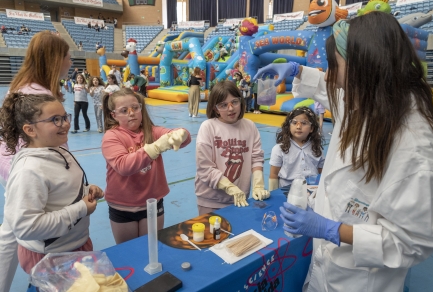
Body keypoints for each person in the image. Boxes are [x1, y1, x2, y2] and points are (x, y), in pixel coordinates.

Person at [254, 12, 433, 291]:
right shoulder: (371, 99)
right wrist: (297, 71)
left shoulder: (417, 151)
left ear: (366, 68)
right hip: (325, 268)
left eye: (335, 65)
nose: (331, 77)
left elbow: (410, 243)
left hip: (361, 280)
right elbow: (331, 87)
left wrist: (332, 230)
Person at [0, 32, 73, 291]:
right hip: (33, 174)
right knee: (25, 234)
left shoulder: (23, 87)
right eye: (67, 56)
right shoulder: (36, 94)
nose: (70, 62)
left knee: (9, 233)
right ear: (54, 60)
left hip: (19, 170)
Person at [0, 93, 103, 275]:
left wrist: (87, 190)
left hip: (76, 243)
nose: (65, 124)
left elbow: (61, 190)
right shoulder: (29, 170)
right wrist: (80, 209)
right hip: (50, 256)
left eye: (65, 117)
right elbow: (26, 227)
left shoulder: (58, 150)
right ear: (30, 130)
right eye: (55, 119)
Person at [101, 88, 191, 244]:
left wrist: (181, 134)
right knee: (128, 252)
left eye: (135, 108)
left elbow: (182, 137)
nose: (131, 113)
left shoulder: (151, 131)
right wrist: (155, 148)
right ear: (113, 115)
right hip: (123, 206)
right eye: (124, 110)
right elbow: (124, 166)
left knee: (151, 248)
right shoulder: (111, 136)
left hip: (152, 203)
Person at [195, 81, 270, 215]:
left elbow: (256, 158)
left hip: (241, 199)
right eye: (223, 105)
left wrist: (258, 185)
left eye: (234, 102)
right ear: (215, 108)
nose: (230, 108)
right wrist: (230, 187)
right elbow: (205, 167)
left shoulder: (250, 126)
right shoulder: (208, 127)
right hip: (211, 200)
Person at [269, 107, 324, 191]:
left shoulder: (316, 147)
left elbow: (321, 172)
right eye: (294, 123)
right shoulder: (279, 148)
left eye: (304, 123)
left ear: (311, 128)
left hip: (312, 189)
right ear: (289, 126)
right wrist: (274, 194)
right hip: (287, 191)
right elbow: (273, 174)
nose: (298, 126)